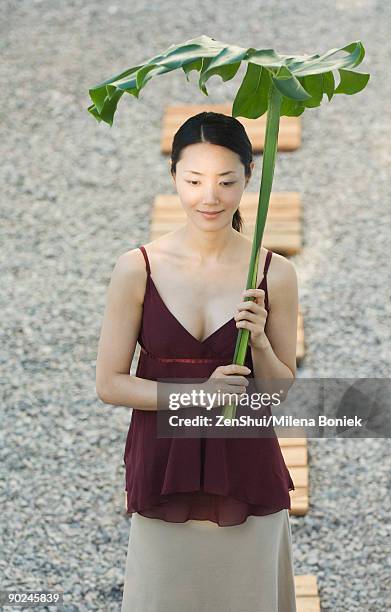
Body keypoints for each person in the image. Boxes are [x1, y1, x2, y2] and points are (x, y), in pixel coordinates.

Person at [96, 112, 299, 612]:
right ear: (174, 178)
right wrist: (196, 395)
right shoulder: (136, 268)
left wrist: (261, 346)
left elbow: (277, 393)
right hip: (163, 467)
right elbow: (110, 383)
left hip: (246, 466)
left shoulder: (277, 272)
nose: (210, 197)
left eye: (227, 181)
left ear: (249, 178)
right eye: (194, 180)